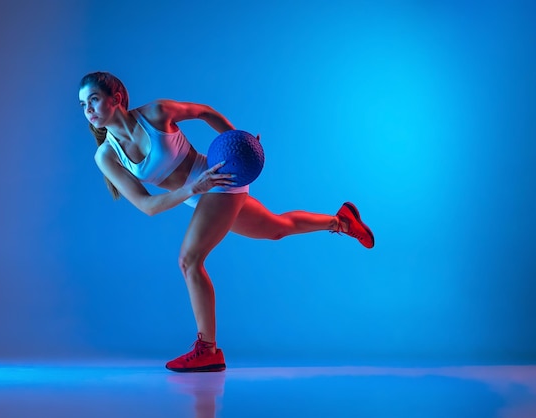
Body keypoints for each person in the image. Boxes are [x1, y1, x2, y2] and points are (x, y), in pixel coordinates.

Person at [78, 71, 375, 373]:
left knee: (189, 261)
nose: (88, 110)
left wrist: (242, 147)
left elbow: (205, 112)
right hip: (199, 192)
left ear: (116, 99)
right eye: (83, 105)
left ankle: (207, 349)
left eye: (94, 100)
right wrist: (192, 189)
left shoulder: (157, 113)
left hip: (221, 178)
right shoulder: (106, 156)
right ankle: (341, 221)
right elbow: (147, 206)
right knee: (276, 230)